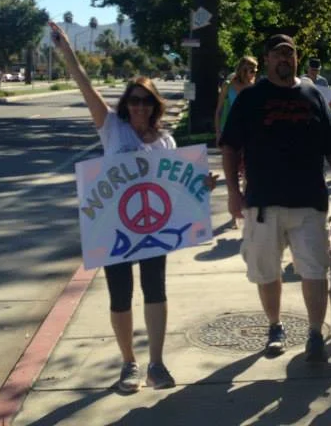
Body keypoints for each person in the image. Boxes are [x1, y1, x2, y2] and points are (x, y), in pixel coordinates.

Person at [50, 21, 216, 393]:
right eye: (134, 99)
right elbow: (84, 85)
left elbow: (178, 191)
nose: (139, 106)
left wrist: (202, 186)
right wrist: (67, 52)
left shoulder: (166, 142)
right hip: (115, 231)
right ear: (126, 104)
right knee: (120, 295)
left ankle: (156, 364)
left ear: (154, 105)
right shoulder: (112, 128)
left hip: (155, 230)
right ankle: (128, 364)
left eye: (145, 100)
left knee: (155, 289)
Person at [220, 34, 331, 362]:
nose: (285, 58)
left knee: (314, 270)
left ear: (296, 58)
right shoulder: (250, 98)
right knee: (266, 271)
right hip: (263, 202)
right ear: (266, 59)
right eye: (278, 53)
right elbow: (230, 146)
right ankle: (275, 326)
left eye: (290, 53)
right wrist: (233, 193)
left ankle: (315, 333)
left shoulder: (313, 96)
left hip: (309, 201)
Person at [215, 56, 258, 146]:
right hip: (228, 131)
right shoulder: (228, 85)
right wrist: (218, 133)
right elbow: (219, 111)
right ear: (244, 70)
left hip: (248, 133)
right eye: (252, 71)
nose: (254, 74)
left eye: (255, 71)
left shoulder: (254, 88)